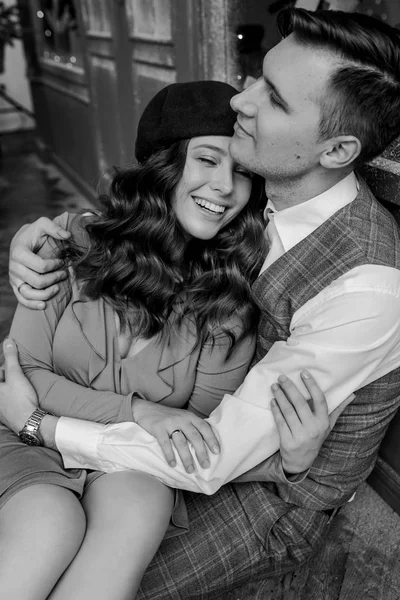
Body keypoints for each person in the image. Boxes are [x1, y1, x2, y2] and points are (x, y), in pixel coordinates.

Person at [6, 6, 400, 598]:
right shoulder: (273, 181)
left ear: (337, 150)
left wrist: (37, 423)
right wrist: (42, 242)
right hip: (152, 452)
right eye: (258, 76)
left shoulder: (364, 285)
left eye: (274, 97)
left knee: (106, 567)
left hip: (264, 498)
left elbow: (213, 450)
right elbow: (145, 218)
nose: (242, 101)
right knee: (44, 537)